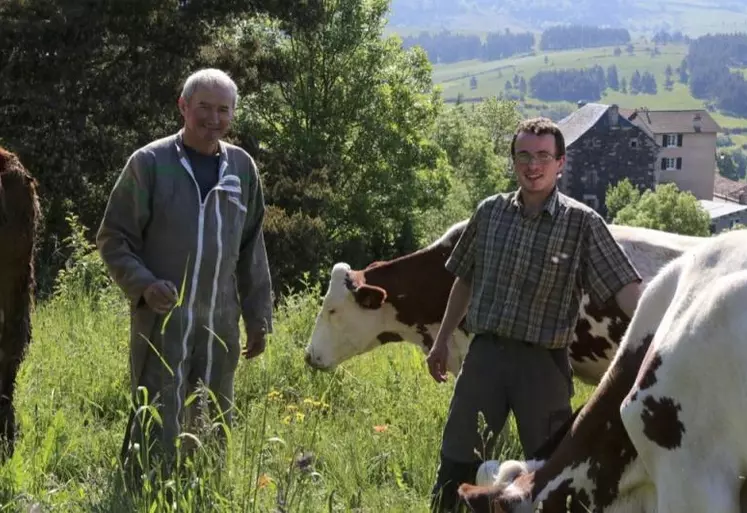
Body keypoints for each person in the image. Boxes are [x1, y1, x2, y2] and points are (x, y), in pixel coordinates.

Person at [426, 117, 643, 511]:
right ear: (513, 161)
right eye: (524, 155)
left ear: (561, 162)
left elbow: (625, 289)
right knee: (458, 457)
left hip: (542, 367)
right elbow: (465, 281)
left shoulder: (582, 224)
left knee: (552, 469)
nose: (532, 165)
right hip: (485, 358)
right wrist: (441, 341)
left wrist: (659, 333)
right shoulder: (489, 212)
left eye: (543, 156)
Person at [96, 68, 273, 474]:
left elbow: (251, 249)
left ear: (233, 114)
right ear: (183, 107)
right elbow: (114, 238)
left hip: (219, 320)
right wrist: (143, 285)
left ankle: (203, 486)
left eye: (223, 110)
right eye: (204, 108)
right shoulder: (149, 164)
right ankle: (147, 484)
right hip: (162, 318)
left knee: (212, 410)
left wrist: (258, 316)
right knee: (158, 406)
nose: (213, 119)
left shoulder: (242, 169)